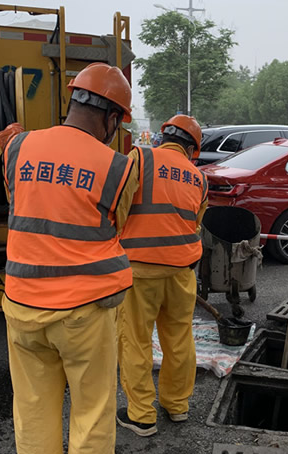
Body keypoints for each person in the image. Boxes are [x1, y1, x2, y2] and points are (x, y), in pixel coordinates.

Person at [0, 62, 137, 454]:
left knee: (33, 411)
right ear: (112, 119)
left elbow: (20, 207)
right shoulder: (118, 167)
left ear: (73, 101)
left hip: (20, 307)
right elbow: (116, 227)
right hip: (85, 313)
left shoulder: (18, 148)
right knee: (92, 415)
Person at [114, 114, 208, 437]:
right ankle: (177, 404)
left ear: (163, 135)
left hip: (140, 271)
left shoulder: (140, 157)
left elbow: (119, 206)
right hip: (182, 272)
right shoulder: (199, 178)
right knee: (180, 338)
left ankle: (141, 415)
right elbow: (195, 222)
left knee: (136, 341)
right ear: (192, 149)